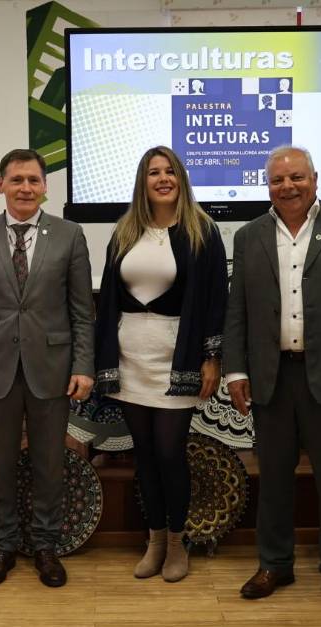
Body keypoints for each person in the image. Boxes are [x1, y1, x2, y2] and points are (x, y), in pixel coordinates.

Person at [223, 145, 321, 614]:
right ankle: (275, 563)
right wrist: (236, 369)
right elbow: (238, 311)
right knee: (272, 478)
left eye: (297, 177)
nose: (288, 187)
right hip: (270, 377)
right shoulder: (249, 236)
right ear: (267, 186)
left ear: (315, 178)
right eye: (278, 180)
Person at [0, 149, 95, 588]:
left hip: (52, 367)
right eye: (16, 180)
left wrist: (84, 365)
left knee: (48, 462)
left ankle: (46, 546)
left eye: (34, 180)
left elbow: (81, 311)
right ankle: (3, 545)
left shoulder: (70, 236)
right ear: (1, 185)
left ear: (45, 187)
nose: (25, 188)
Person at [92, 146, 226, 582]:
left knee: (170, 454)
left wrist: (211, 357)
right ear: (143, 181)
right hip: (129, 356)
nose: (163, 178)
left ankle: (176, 542)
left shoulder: (202, 230)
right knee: (145, 456)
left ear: (181, 178)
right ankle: (153, 542)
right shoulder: (126, 230)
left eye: (170, 171)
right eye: (154, 172)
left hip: (177, 359)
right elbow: (109, 296)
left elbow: (214, 301)